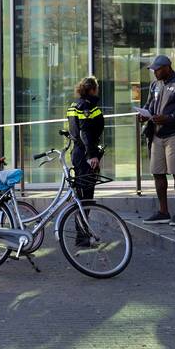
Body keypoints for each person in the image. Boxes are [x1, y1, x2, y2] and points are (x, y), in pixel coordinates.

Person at [139, 55, 175, 226]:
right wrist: (144, 115)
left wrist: (169, 118)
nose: (155, 72)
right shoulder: (155, 85)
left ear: (167, 67)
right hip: (157, 133)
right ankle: (163, 211)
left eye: (157, 69)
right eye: (153, 69)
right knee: (158, 172)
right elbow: (150, 105)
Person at [68, 77, 105, 247]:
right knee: (86, 196)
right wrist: (92, 155)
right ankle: (82, 236)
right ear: (92, 90)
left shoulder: (74, 105)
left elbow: (75, 130)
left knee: (82, 195)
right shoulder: (87, 106)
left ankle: (82, 233)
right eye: (96, 88)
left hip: (78, 153)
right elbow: (85, 131)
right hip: (85, 154)